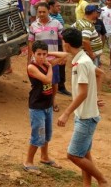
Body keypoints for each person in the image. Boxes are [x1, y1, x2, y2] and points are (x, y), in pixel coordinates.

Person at [57, 28, 110, 187]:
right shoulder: (84, 59)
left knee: (73, 154)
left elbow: (82, 94)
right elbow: (100, 74)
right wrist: (96, 97)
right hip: (86, 114)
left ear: (66, 44)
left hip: (86, 118)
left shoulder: (81, 63)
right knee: (84, 155)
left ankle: (103, 181)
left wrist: (66, 113)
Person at [23, 40, 67, 174]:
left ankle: (44, 157)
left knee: (47, 134)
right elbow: (48, 80)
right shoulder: (32, 67)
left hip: (47, 105)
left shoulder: (46, 62)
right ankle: (28, 162)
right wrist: (49, 66)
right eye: (39, 54)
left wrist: (49, 55)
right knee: (38, 135)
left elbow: (64, 54)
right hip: (37, 106)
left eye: (44, 54)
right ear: (33, 54)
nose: (42, 57)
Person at [28, 2, 65, 111]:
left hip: (52, 61)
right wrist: (30, 58)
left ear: (49, 11)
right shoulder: (33, 25)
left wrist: (64, 55)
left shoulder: (57, 23)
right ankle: (42, 101)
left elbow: (63, 39)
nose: (41, 14)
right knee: (40, 83)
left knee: (54, 82)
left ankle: (53, 101)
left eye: (44, 11)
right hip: (38, 61)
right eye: (39, 12)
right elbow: (30, 42)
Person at [48, 0, 71, 96]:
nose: (59, 7)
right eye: (57, 6)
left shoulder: (58, 16)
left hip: (60, 43)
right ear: (51, 7)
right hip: (52, 44)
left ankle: (61, 86)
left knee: (61, 64)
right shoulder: (48, 17)